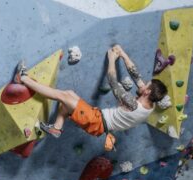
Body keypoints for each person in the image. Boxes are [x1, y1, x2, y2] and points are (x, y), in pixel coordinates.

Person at [15, 45, 168, 151]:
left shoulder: (132, 104)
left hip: (96, 121)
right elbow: (136, 75)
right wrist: (122, 53)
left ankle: (23, 78)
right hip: (98, 120)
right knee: (69, 96)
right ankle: (57, 128)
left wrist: (112, 59)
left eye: (146, 85)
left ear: (147, 92)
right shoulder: (150, 105)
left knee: (61, 95)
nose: (143, 84)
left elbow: (112, 80)